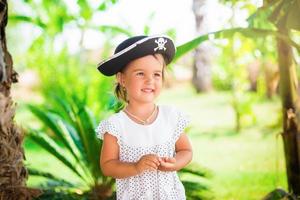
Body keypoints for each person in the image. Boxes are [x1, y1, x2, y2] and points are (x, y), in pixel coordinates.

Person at [96, 35, 193, 200]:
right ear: (122, 79)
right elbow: (107, 166)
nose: (150, 80)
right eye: (140, 73)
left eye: (157, 74)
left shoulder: (170, 117)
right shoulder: (115, 126)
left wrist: (174, 163)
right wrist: (135, 167)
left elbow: (186, 150)